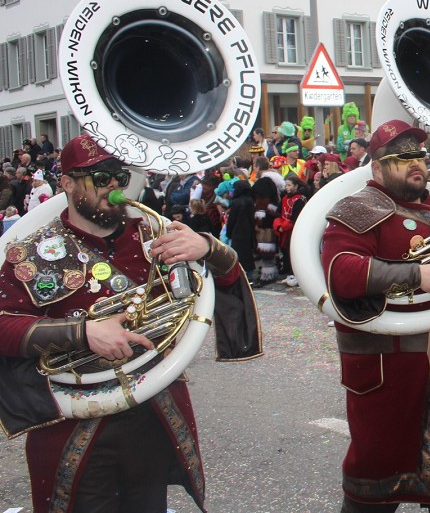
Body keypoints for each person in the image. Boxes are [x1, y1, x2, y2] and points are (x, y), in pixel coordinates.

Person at [0, 134, 261, 512]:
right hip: (73, 420)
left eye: (119, 177)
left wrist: (209, 248)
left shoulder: (154, 234)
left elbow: (225, 281)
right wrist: (84, 333)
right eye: (99, 177)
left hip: (152, 410)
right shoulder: (30, 252)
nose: (113, 188)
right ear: (68, 183)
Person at [319, 120, 430, 512]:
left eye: (420, 155)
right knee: (374, 487)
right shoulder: (359, 206)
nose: (417, 164)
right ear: (377, 168)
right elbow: (341, 272)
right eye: (403, 157)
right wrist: (419, 274)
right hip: (388, 367)